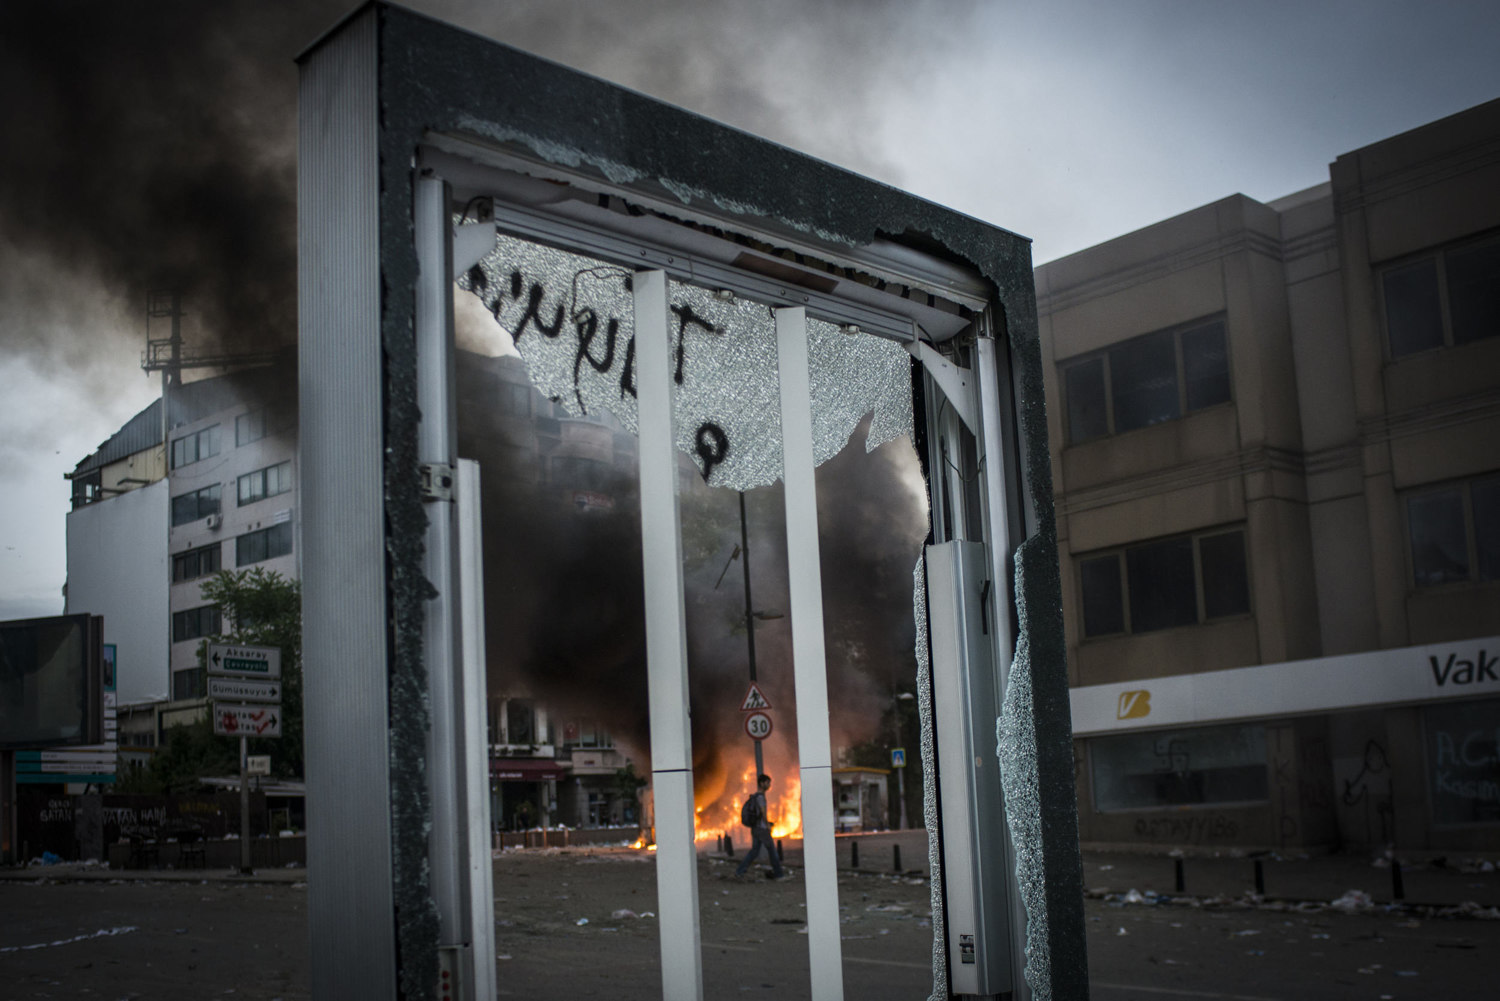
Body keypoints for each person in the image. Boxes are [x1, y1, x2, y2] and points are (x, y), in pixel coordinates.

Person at [734, 773, 784, 879]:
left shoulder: (755, 797)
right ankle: (779, 874)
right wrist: (768, 825)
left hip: (755, 828)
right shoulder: (760, 798)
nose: (769, 785)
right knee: (772, 851)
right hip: (762, 829)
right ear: (761, 784)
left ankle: (739, 871)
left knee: (754, 852)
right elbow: (763, 813)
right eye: (767, 783)